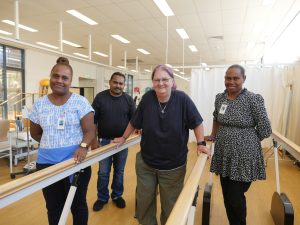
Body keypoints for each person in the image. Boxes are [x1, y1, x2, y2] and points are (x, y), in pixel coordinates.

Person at [113, 64, 210, 225]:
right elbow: (134, 121)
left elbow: (197, 122)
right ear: (152, 82)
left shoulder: (182, 99)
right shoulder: (147, 98)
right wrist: (123, 138)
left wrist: (200, 143)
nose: (161, 83)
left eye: (165, 79)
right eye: (157, 80)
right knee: (144, 203)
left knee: (171, 206)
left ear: (172, 81)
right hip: (146, 164)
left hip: (173, 167)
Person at [29, 57, 95, 225]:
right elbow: (36, 133)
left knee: (77, 205)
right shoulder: (39, 105)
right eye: (56, 76)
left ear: (70, 81)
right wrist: (52, 143)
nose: (59, 80)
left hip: (75, 163)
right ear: (51, 77)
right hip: (46, 165)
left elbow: (90, 130)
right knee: (53, 207)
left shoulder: (80, 102)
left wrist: (82, 146)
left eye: (64, 78)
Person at [208, 64, 272, 225]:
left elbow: (265, 129)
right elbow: (216, 117)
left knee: (235, 196)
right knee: (226, 193)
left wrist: (247, 139)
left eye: (236, 78)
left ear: (244, 79)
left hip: (244, 157)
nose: (231, 81)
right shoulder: (220, 98)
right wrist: (213, 135)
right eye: (228, 78)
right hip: (224, 154)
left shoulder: (253, 99)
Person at [91, 72, 136, 211]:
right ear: (110, 82)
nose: (118, 86)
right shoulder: (100, 98)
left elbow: (134, 120)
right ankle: (102, 197)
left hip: (123, 142)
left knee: (119, 171)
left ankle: (117, 195)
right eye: (115, 82)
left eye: (121, 83)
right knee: (103, 172)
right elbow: (92, 120)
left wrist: (136, 131)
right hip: (104, 142)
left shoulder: (128, 100)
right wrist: (94, 141)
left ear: (124, 85)